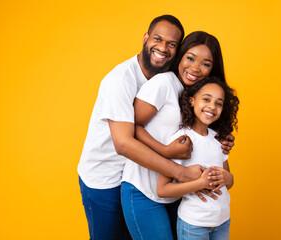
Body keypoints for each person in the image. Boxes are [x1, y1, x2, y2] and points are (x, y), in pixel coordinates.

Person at [77, 15, 209, 240]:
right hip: (105, 177)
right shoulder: (120, 80)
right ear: (145, 38)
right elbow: (124, 144)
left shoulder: (169, 79)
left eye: (172, 44)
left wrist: (218, 139)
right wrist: (178, 169)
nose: (163, 47)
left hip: (138, 176)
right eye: (157, 39)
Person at [121, 31, 234, 240]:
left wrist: (223, 141)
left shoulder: (198, 97)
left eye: (205, 64)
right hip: (143, 188)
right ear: (180, 56)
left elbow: (206, 138)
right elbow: (131, 127)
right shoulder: (164, 82)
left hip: (176, 196)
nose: (195, 68)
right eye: (190, 58)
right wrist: (165, 150)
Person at [157, 77, 239, 240]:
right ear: (192, 101)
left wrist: (229, 178)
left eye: (218, 103)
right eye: (206, 99)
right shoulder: (181, 140)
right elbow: (162, 190)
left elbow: (227, 183)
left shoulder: (218, 140)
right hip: (194, 224)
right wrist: (199, 184)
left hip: (222, 221)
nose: (212, 106)